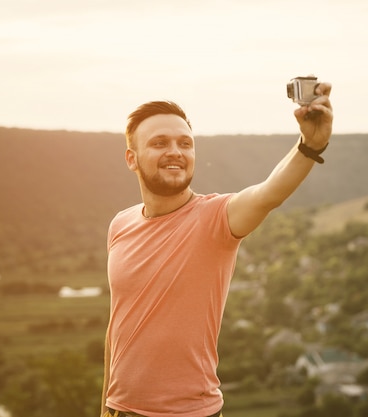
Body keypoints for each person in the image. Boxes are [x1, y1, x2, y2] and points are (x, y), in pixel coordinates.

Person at [101, 83, 333, 417]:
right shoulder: (120, 225)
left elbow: (269, 193)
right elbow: (118, 327)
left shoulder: (215, 218)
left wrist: (310, 145)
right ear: (131, 159)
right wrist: (105, 406)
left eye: (185, 143)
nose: (175, 151)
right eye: (159, 143)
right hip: (120, 411)